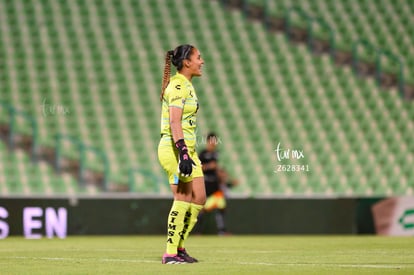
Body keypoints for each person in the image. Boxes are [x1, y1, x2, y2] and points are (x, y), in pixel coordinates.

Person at [158, 44, 206, 264]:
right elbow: (174, 122)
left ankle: (180, 246)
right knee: (183, 197)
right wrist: (183, 153)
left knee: (200, 198)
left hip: (188, 150)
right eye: (198, 57)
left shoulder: (187, 85)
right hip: (175, 148)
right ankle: (170, 253)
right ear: (187, 62)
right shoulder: (178, 85)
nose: (201, 61)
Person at [198, 133, 238, 235]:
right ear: (207, 142)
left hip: (215, 186)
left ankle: (222, 231)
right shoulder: (202, 154)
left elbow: (217, 169)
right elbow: (198, 168)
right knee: (201, 209)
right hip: (205, 185)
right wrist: (208, 166)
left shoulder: (216, 154)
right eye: (211, 141)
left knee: (221, 206)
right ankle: (198, 232)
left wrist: (228, 178)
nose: (213, 143)